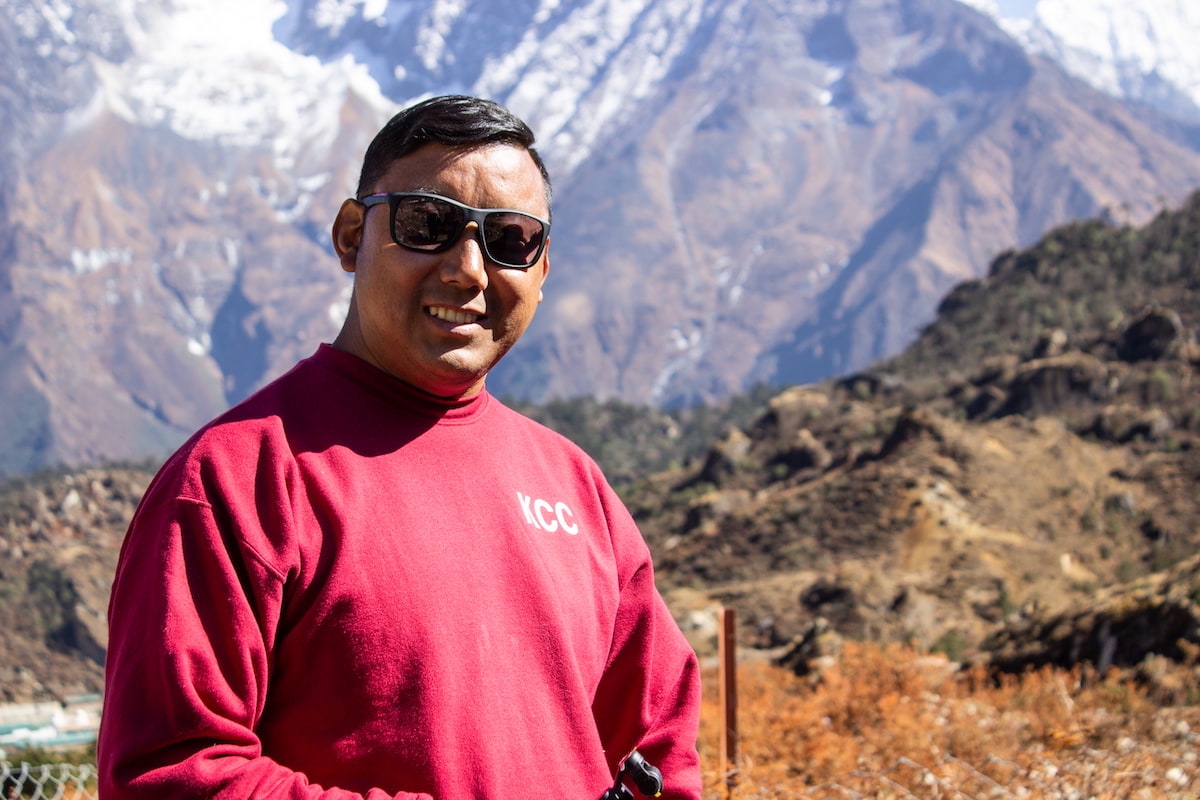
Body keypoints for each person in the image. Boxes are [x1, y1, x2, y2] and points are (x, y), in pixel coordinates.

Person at [97, 95, 702, 800]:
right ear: (352, 236)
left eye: (511, 239)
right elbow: (169, 772)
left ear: (541, 269)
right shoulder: (237, 480)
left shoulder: (577, 488)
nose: (470, 270)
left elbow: (661, 750)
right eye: (428, 224)